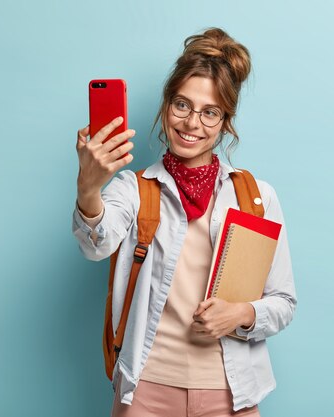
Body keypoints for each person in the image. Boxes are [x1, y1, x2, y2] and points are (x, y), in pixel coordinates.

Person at [72, 28, 296, 417]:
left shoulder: (255, 197)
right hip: (145, 393)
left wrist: (241, 314)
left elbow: (284, 302)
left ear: (226, 122)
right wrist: (88, 188)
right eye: (181, 105)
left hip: (231, 394)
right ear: (165, 106)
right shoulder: (136, 188)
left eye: (209, 112)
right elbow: (96, 245)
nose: (192, 122)